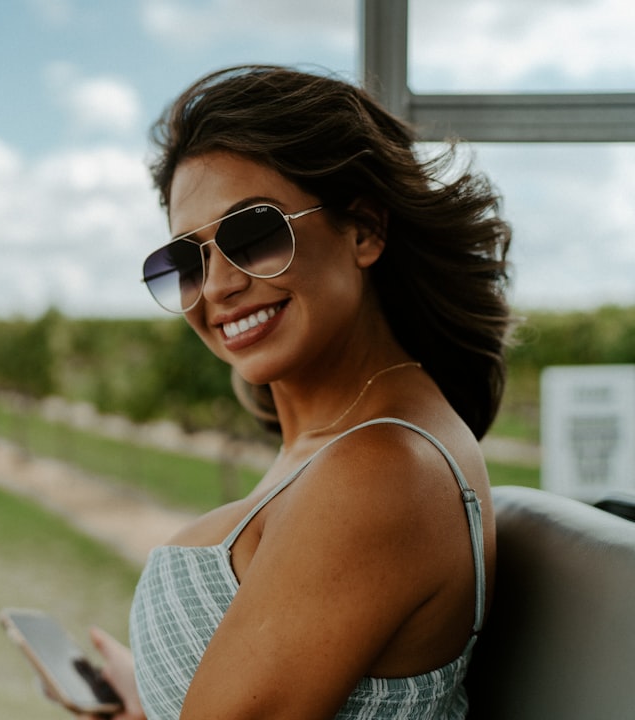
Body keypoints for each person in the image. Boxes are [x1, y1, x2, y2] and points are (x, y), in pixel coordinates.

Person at [80, 65, 513, 719]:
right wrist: (150, 694)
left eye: (251, 235)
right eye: (184, 263)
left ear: (363, 229)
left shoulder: (383, 471)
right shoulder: (334, 442)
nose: (218, 287)